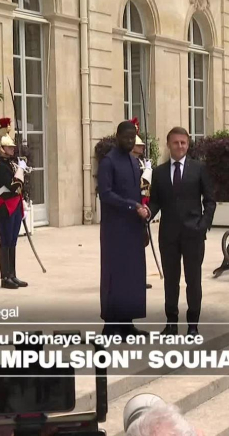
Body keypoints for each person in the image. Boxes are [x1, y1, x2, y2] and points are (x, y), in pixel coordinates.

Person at [147, 127, 215, 337]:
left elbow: (210, 201)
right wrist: (147, 213)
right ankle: (171, 323)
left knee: (193, 280)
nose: (180, 146)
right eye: (176, 143)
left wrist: (203, 225)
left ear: (188, 144)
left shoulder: (199, 169)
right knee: (170, 281)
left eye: (183, 142)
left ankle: (193, 325)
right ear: (168, 144)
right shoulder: (159, 172)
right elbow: (155, 202)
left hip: (193, 234)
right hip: (168, 235)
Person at [98, 120, 150, 337]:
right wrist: (132, 206)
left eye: (132, 138)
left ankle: (127, 323)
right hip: (115, 228)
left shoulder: (133, 160)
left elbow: (138, 193)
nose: (130, 141)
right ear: (117, 137)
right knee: (115, 275)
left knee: (132, 275)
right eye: (126, 137)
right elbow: (106, 194)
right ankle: (111, 325)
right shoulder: (108, 162)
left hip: (133, 227)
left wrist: (144, 213)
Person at [0, 118, 29, 290]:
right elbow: (12, 186)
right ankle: (5, 277)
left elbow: (19, 187)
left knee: (13, 241)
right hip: (4, 206)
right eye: (9, 147)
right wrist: (21, 172)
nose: (12, 149)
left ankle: (12, 274)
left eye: (12, 147)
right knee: (5, 241)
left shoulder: (10, 164)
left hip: (15, 205)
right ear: (1, 148)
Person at [129, 119, 152, 290]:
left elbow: (145, 187)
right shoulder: (130, 162)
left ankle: (138, 278)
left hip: (141, 207)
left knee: (140, 246)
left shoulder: (141, 162)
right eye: (139, 146)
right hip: (132, 207)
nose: (142, 148)